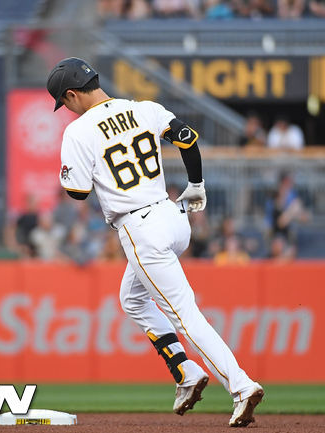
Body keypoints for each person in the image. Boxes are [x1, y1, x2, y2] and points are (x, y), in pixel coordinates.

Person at [47, 57, 263, 427]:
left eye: (64, 103)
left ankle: (241, 385)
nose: (66, 110)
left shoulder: (78, 131)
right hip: (173, 216)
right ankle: (186, 372)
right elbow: (187, 137)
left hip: (140, 229)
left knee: (186, 315)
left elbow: (77, 191)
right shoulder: (143, 108)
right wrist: (196, 185)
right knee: (131, 299)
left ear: (71, 95)